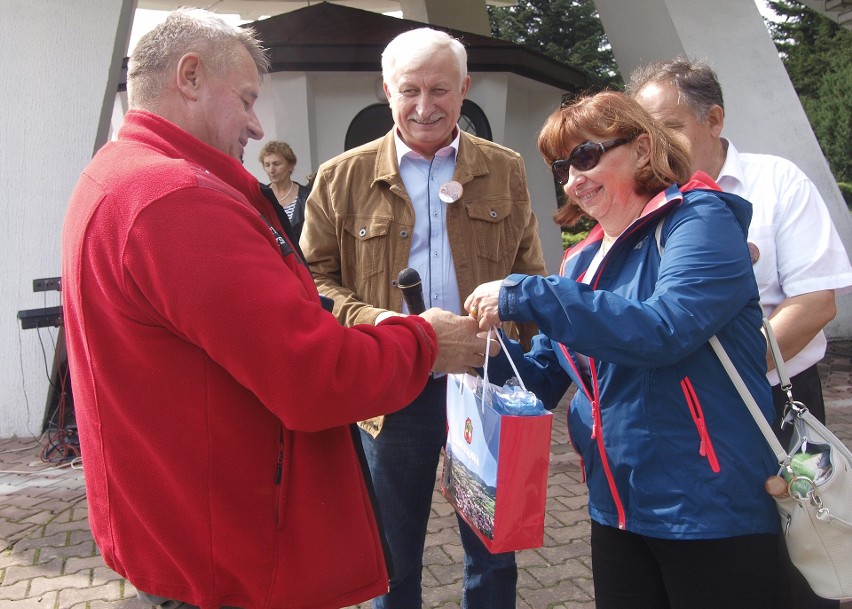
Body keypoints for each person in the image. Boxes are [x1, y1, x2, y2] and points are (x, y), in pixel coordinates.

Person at [60, 9, 493, 609]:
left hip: (186, 534)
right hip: (228, 556)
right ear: (189, 77)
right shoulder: (175, 201)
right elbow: (312, 378)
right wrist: (425, 341)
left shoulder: (119, 176)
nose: (256, 126)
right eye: (244, 99)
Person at [465, 91, 784, 609]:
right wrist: (482, 349)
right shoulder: (581, 261)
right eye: (561, 166)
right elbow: (544, 379)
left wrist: (529, 294)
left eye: (586, 157)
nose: (572, 178)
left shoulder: (699, 220)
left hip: (709, 507)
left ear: (641, 149)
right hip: (615, 507)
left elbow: (666, 327)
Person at [299, 27, 547, 609]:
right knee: (391, 556)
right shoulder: (341, 178)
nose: (425, 105)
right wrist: (385, 325)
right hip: (390, 389)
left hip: (483, 384)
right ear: (387, 90)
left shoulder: (505, 169)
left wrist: (500, 326)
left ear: (464, 90)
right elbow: (308, 282)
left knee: (493, 549)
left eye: (440, 89)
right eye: (410, 89)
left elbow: (529, 273)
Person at [628, 57, 852, 609]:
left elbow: (815, 300)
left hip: (774, 399)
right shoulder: (642, 201)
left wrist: (739, 377)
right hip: (683, 414)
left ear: (714, 119)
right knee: (717, 564)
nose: (659, 146)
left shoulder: (777, 182)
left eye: (672, 127)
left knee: (800, 552)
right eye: (645, 133)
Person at [259, 140, 310, 238]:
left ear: (291, 165)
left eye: (276, 164)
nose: (271, 170)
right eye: (267, 165)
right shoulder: (261, 197)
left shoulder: (307, 197)